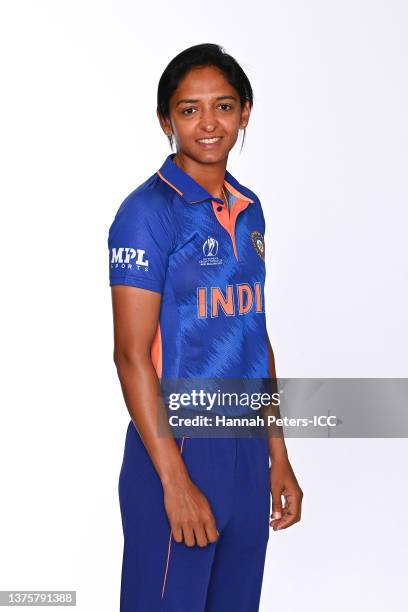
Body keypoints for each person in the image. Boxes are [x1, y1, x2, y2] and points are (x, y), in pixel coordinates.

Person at [108, 43, 303, 612]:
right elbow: (129, 356)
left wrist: (279, 457)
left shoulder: (251, 207)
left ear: (245, 111)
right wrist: (174, 480)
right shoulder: (148, 212)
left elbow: (253, 333)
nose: (208, 123)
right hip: (177, 446)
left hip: (245, 453)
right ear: (166, 120)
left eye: (222, 106)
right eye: (189, 110)